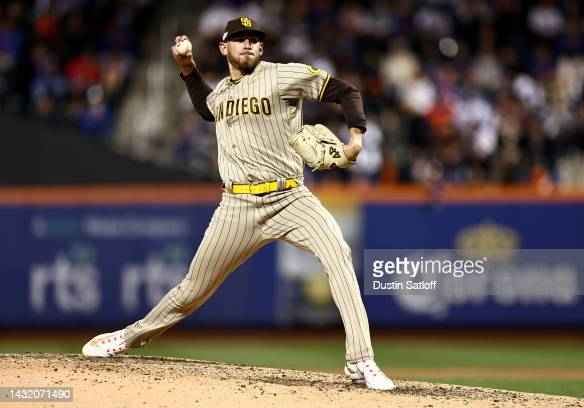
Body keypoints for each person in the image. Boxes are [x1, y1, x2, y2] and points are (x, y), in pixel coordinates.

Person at [82, 16, 395, 391]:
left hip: (291, 196)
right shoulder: (222, 95)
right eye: (239, 38)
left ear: (262, 48)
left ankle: (361, 361)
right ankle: (128, 337)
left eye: (254, 40)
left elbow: (347, 91)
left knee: (339, 256)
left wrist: (356, 137)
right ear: (223, 47)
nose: (248, 44)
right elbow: (205, 107)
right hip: (238, 207)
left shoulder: (283, 76)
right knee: (192, 290)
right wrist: (187, 68)